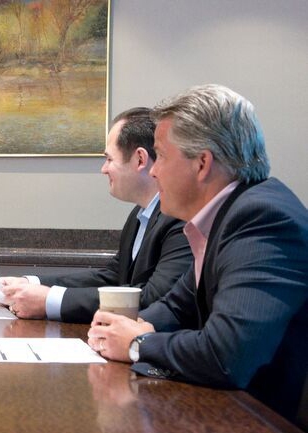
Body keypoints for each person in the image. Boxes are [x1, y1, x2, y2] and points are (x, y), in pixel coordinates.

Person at [87, 84, 308, 427]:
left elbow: (227, 354)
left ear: (202, 163)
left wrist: (137, 344)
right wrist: (139, 324)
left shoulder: (262, 219)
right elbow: (179, 303)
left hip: (255, 419)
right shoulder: (226, 215)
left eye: (159, 156)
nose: (154, 171)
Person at [0, 108, 192, 323]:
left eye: (109, 159)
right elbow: (112, 277)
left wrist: (49, 300)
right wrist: (31, 283)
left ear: (139, 159)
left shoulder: (181, 220)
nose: (103, 169)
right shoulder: (139, 214)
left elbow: (153, 298)